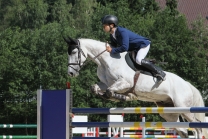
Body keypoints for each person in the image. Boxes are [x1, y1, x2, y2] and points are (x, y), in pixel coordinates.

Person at [101, 15, 166, 82]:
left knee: (139, 60)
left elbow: (124, 47)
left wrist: (112, 50)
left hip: (142, 45)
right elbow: (114, 45)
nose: (103, 27)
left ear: (111, 25)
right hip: (134, 48)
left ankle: (160, 73)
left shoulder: (122, 32)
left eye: (104, 25)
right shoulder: (112, 35)